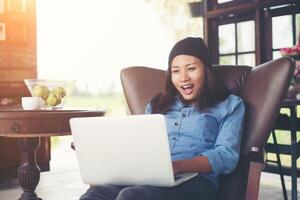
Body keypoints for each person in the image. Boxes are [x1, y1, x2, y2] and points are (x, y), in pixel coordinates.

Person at [80, 37, 245, 200]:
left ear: (206, 70)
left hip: (197, 182)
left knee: (131, 196)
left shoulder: (230, 105)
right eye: (176, 71)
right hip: (148, 177)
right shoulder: (156, 105)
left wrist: (177, 166)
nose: (183, 77)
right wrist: (97, 149)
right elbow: (140, 146)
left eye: (191, 68)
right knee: (96, 194)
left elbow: (226, 155)